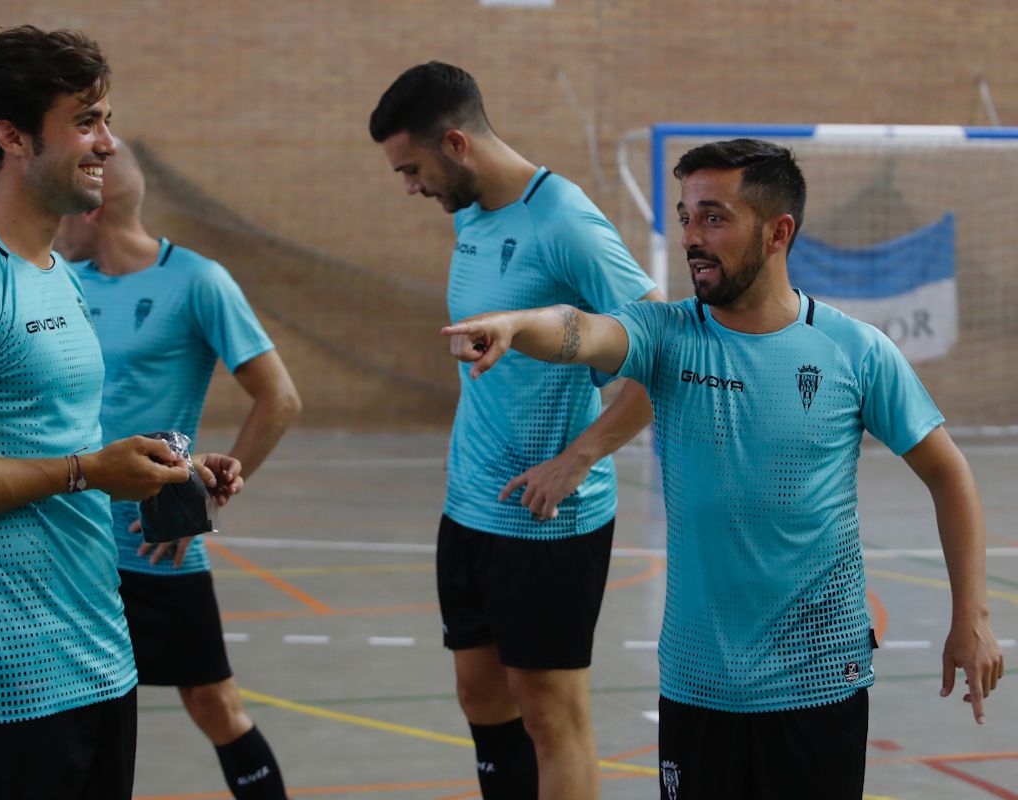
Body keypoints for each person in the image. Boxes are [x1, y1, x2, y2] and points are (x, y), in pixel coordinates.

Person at [442, 138, 1005, 800]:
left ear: (778, 232)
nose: (692, 238)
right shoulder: (667, 336)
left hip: (818, 680)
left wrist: (972, 614)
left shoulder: (854, 352)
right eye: (685, 217)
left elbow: (949, 475)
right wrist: (518, 325)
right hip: (698, 685)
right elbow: (581, 330)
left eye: (714, 217)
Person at [0, 26, 243, 799]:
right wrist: (87, 472)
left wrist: (158, 463)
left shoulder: (54, 273)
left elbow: (54, 440)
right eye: (86, 120)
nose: (108, 143)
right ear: (11, 137)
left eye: (105, 119)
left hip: (96, 655)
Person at [369, 61, 663, 800]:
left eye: (413, 169)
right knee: (480, 694)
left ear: (456, 143)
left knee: (550, 715)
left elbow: (667, 351)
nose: (410, 188)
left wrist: (578, 458)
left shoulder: (566, 222)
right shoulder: (470, 215)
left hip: (549, 521)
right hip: (470, 506)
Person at [56, 141, 300, 798]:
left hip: (154, 544)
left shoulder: (197, 280)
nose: (55, 221)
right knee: (79, 712)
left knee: (213, 703)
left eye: (65, 209)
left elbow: (279, 396)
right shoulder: (61, 280)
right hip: (70, 541)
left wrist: (207, 494)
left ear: (95, 208)